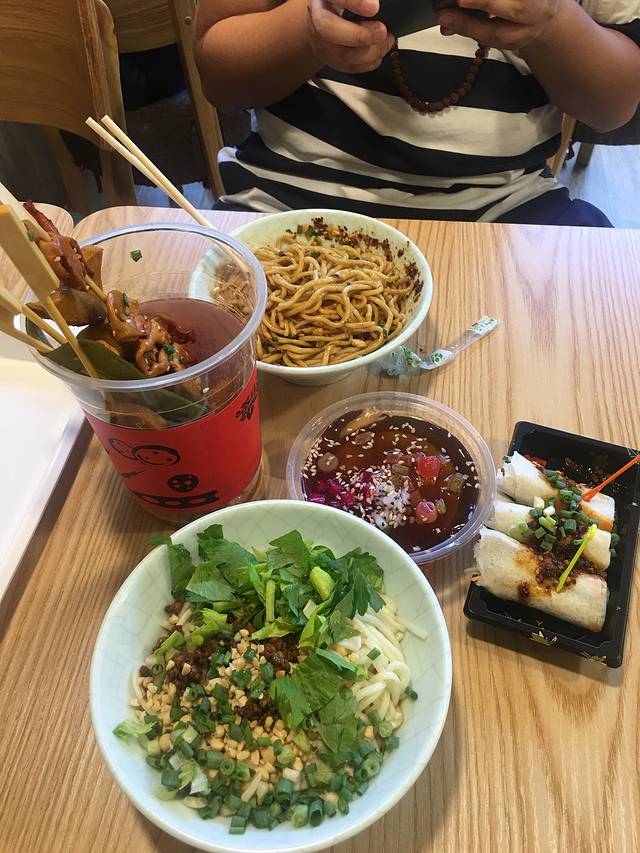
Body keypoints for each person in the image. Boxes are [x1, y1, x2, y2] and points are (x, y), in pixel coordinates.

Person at [194, 0, 640, 225]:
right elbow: (221, 80)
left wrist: (554, 22)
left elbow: (613, 107)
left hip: (509, 208)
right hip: (284, 196)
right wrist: (307, 33)